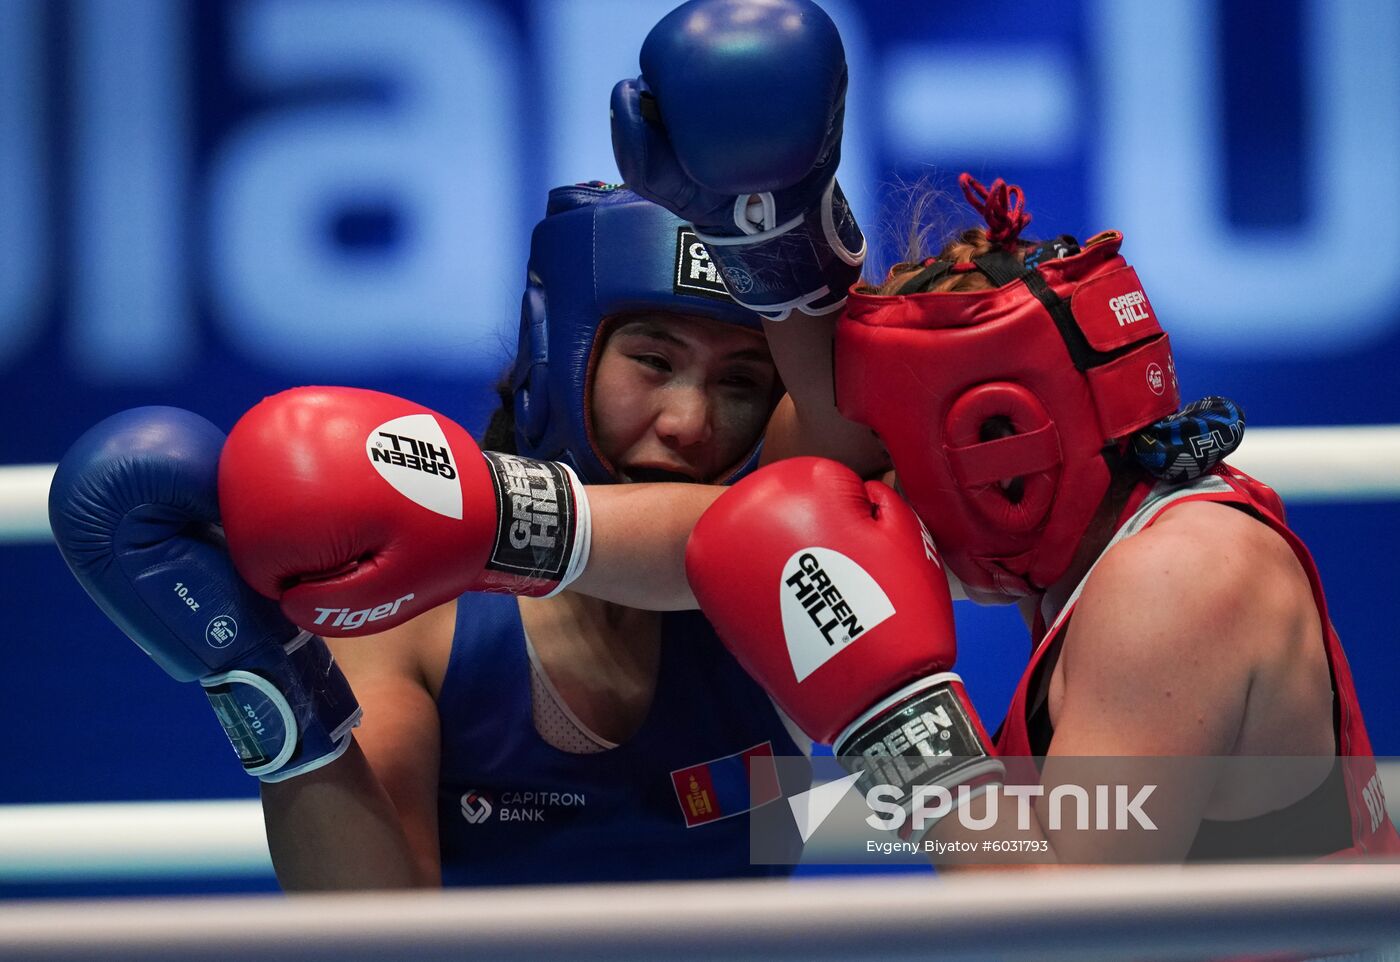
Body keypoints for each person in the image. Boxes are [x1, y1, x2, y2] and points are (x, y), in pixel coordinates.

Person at [615, 0, 1400, 864]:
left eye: (894, 457)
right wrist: (505, 524)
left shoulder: (1174, 582)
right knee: (734, 814)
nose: (875, 496)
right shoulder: (1113, 528)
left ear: (999, 459)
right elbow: (725, 537)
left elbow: (1054, 939)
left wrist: (905, 726)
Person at [49, 182, 808, 889]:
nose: (690, 424)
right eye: (652, 361)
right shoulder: (425, 619)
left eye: (739, 382)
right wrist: (266, 685)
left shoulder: (795, 585)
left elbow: (917, 826)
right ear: (561, 354)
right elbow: (376, 932)